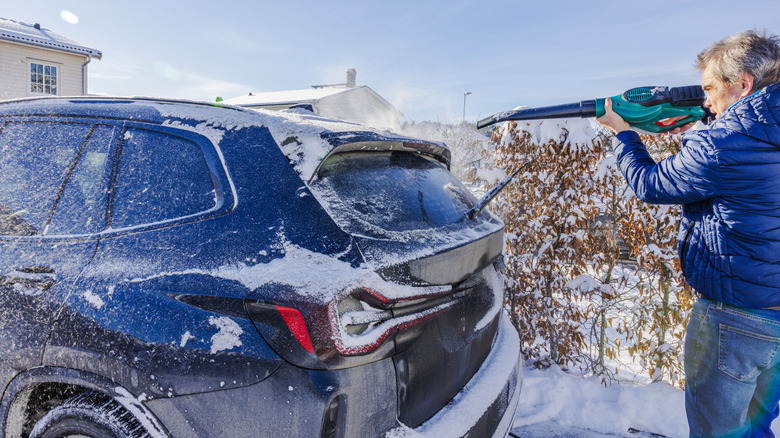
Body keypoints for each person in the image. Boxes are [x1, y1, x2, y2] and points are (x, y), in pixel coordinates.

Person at [596, 30, 780, 438]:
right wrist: (699, 137)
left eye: (711, 88)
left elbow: (649, 183)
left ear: (743, 83)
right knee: (755, 430)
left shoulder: (722, 143)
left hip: (734, 320)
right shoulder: (749, 133)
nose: (705, 102)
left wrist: (622, 133)